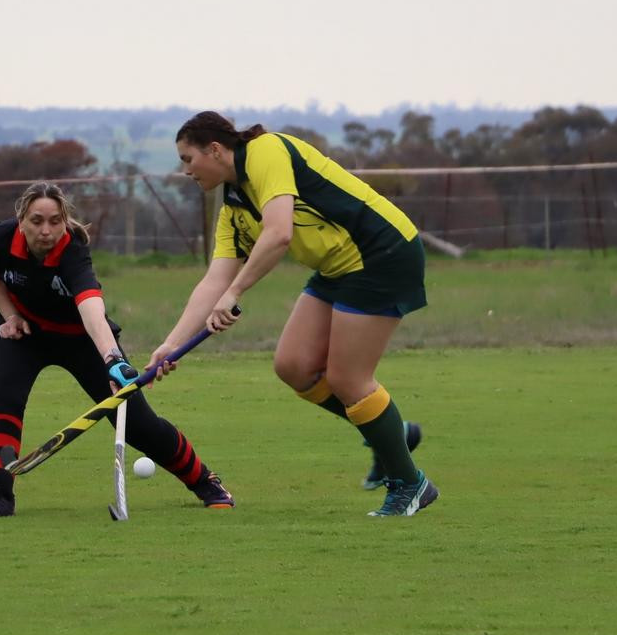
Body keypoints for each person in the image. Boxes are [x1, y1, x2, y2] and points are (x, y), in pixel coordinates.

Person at [146, 111, 438, 517]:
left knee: (347, 379)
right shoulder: (232, 206)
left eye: (187, 159)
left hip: (382, 252)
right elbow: (214, 280)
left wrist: (235, 292)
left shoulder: (266, 152)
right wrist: (171, 345)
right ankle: (389, 433)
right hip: (339, 266)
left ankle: (410, 484)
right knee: (294, 366)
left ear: (215, 150)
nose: (185, 170)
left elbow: (280, 232)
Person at [0, 181, 234, 519]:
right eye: (36, 221)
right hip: (25, 334)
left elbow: (91, 307)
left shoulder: (72, 249)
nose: (46, 231)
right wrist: (11, 316)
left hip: (82, 339)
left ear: (64, 221)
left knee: (138, 424)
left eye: (55, 221)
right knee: (3, 400)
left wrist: (113, 360)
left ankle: (205, 481)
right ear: (21, 220)